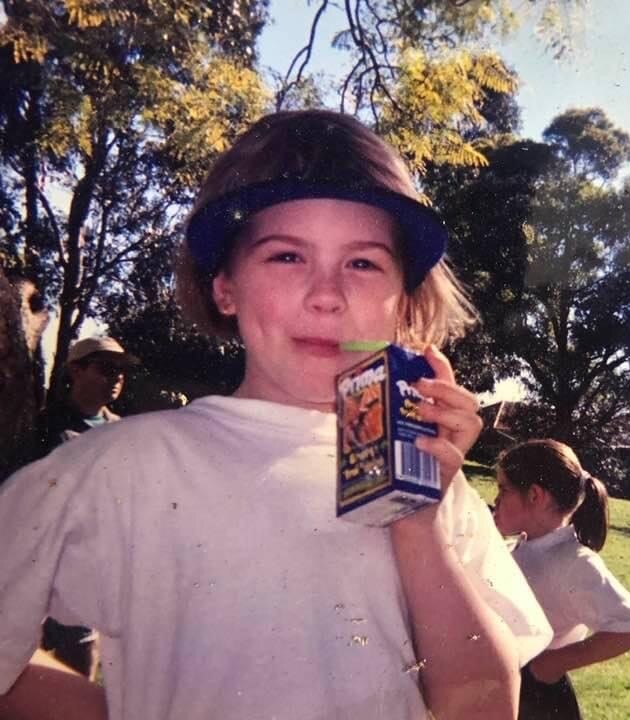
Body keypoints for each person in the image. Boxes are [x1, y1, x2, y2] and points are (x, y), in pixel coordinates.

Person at [0, 109, 552, 720]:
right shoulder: (119, 465)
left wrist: (416, 522)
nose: (326, 294)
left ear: (403, 300)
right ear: (225, 288)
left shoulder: (431, 480)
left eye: (363, 263)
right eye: (287, 256)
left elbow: (481, 701)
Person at [493, 439, 630, 720]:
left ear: (534, 495)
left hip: (538, 698)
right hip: (507, 689)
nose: (496, 500)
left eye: (503, 489)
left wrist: (552, 663)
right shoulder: (520, 548)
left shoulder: (573, 561)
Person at [33, 337, 139, 680]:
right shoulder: (41, 425)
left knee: (80, 664)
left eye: (122, 370)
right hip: (36, 567)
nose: (117, 377)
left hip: (87, 572)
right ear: (76, 370)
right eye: (107, 368)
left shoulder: (124, 432)